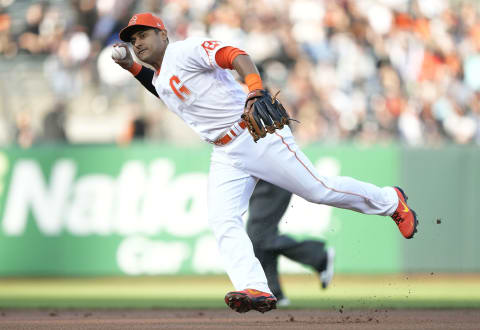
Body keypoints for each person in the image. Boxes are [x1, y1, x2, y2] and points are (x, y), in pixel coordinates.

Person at [113, 13, 418, 314]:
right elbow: (163, 88)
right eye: (133, 38)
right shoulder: (160, 75)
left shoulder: (184, 50)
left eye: (143, 34)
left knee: (319, 189)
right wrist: (133, 68)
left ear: (163, 34)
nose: (137, 42)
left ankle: (391, 201)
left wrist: (256, 89)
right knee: (223, 219)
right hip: (225, 153)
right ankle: (255, 286)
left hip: (253, 134)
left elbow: (235, 55)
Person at [247, 179, 335, 307]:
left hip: (270, 177)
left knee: (259, 236)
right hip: (261, 179)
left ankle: (318, 256)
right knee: (261, 238)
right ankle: (273, 293)